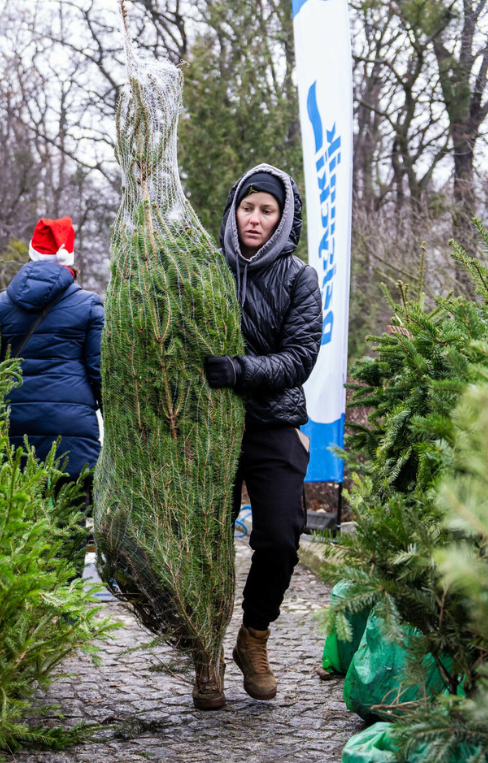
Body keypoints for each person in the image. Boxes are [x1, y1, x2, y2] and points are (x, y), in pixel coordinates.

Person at [202, 164, 321, 705]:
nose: (254, 218)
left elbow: (300, 358)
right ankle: (204, 653)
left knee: (278, 536)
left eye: (266, 210)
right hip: (209, 425)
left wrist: (242, 371)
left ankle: (253, 638)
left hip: (273, 420)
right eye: (247, 207)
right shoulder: (205, 268)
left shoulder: (299, 279)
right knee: (203, 542)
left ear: (282, 217)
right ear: (234, 210)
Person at [0, 216, 104, 508]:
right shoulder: (89, 304)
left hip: (13, 428)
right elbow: (100, 373)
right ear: (68, 259)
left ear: (33, 254)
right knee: (69, 522)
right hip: (71, 430)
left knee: (21, 522)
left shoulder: (3, 303)